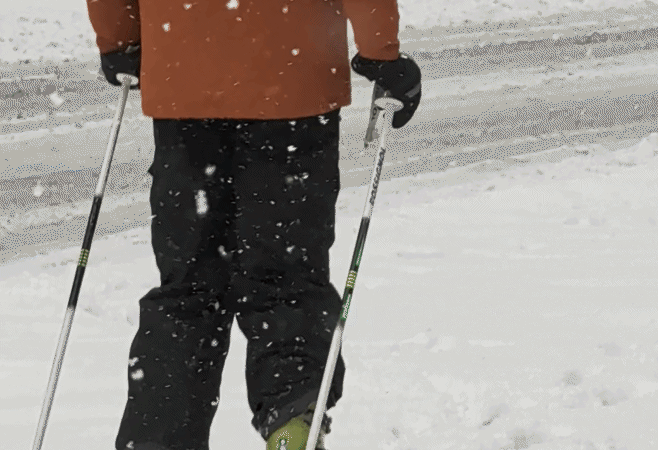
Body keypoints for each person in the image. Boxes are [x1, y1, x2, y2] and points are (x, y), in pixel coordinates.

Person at [84, 1, 421, 449]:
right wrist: (382, 55)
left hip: (185, 83)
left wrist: (120, 40)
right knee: (287, 280)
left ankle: (160, 440)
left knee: (189, 288)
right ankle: (291, 426)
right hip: (293, 85)